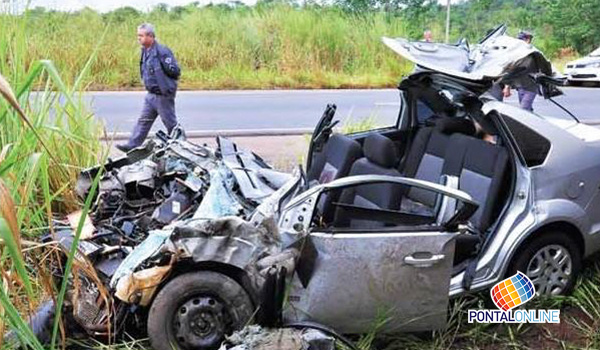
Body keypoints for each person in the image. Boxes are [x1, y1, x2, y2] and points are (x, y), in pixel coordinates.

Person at [116, 23, 181, 153]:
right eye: (138, 35)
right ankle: (132, 146)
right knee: (143, 121)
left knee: (171, 125)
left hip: (162, 95)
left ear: (150, 36)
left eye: (141, 35)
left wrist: (166, 85)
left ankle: (182, 146)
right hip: (151, 95)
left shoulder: (162, 51)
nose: (138, 38)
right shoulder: (145, 51)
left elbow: (175, 71)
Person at [502, 31, 538, 111]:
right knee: (527, 109)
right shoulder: (516, 54)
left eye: (529, 39)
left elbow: (544, 67)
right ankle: (533, 122)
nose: (528, 41)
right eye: (526, 39)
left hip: (531, 87)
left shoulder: (534, 53)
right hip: (520, 87)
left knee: (523, 110)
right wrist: (507, 87)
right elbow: (511, 71)